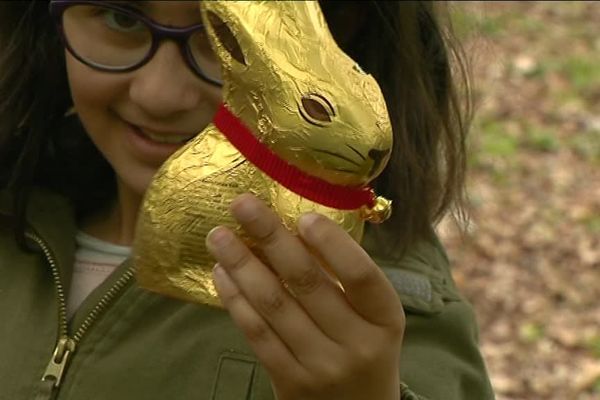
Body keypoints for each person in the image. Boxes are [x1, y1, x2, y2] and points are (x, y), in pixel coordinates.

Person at [0, 1, 495, 399]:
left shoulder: (379, 317)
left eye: (219, 41)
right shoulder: (15, 217)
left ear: (338, 35)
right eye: (120, 17)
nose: (159, 94)